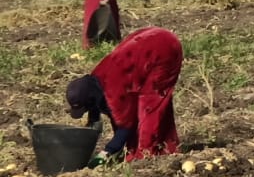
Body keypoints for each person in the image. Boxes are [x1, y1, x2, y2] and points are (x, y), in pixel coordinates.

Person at [65, 26, 183, 163]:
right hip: (145, 41)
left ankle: (145, 154)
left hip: (163, 49)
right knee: (135, 110)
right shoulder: (95, 80)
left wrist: (107, 152)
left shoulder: (113, 94)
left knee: (150, 106)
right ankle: (166, 147)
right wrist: (92, 123)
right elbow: (98, 108)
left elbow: (126, 126)